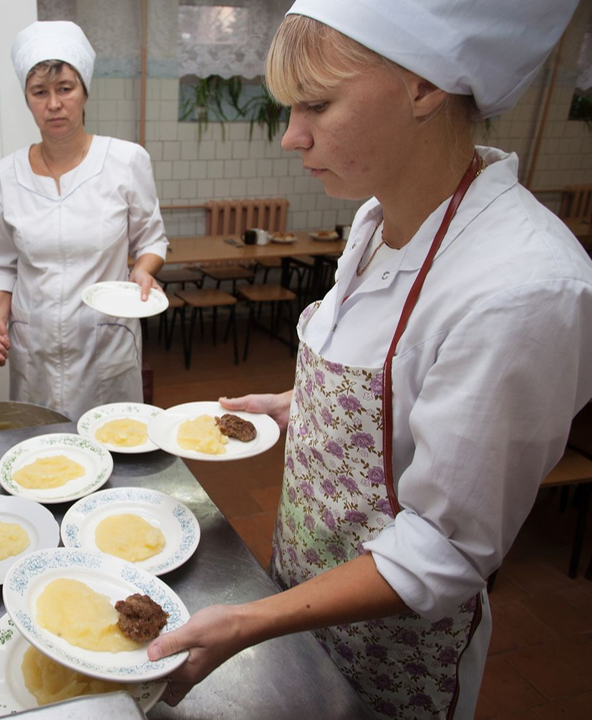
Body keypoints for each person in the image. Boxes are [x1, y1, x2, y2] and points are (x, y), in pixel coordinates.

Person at [147, 1, 592, 717]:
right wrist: (295, 407)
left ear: (424, 85)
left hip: (396, 652)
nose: (292, 136)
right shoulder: (376, 220)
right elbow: (398, 396)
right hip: (304, 595)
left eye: (317, 105)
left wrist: (250, 620)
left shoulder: (522, 288)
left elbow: (444, 550)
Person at [0, 21, 168, 422]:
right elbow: (0, 262)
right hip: (35, 350)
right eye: (39, 92)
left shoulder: (126, 161)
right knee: (41, 460)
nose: (53, 104)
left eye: (65, 88)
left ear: (84, 91)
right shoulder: (6, 175)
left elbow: (153, 240)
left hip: (106, 346)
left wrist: (142, 271)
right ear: (27, 98)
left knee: (112, 455)